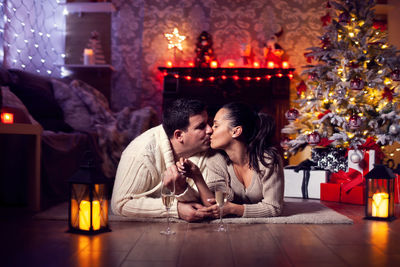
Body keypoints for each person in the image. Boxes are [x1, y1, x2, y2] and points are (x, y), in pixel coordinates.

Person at [111, 98, 216, 222]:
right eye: (201, 126)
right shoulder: (140, 153)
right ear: (179, 135)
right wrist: (175, 209)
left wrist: (181, 189)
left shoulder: (208, 146)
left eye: (208, 123)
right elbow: (120, 204)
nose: (210, 130)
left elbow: (209, 205)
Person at [177, 102, 284, 218]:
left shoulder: (267, 160)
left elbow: (274, 208)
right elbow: (216, 205)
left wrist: (234, 209)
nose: (210, 130)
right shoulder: (215, 159)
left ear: (236, 131)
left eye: (216, 125)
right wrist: (197, 176)